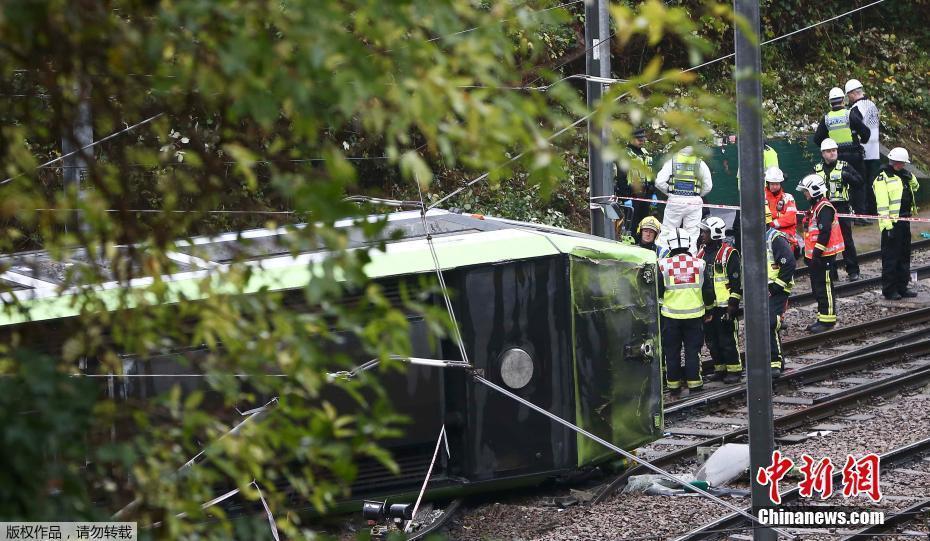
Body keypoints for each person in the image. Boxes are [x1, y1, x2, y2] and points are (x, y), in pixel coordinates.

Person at [658, 227, 715, 396]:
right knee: (692, 350)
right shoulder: (700, 263)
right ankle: (695, 384)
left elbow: (658, 291)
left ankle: (674, 386)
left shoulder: (662, 265)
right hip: (694, 316)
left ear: (670, 244)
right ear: (689, 243)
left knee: (671, 352)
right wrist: (709, 310)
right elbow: (708, 291)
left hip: (670, 316)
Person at [696, 217, 742, 383]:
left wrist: (732, 305)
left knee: (727, 339)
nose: (702, 235)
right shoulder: (701, 253)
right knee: (712, 340)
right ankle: (720, 369)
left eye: (705, 232)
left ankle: (734, 370)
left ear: (714, 233)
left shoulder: (729, 253)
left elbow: (736, 282)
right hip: (708, 307)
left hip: (724, 306)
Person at [798, 174, 845, 333]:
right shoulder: (816, 207)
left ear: (814, 190)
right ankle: (822, 317)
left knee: (825, 287)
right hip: (817, 256)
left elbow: (824, 233)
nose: (804, 194)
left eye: (806, 191)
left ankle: (828, 320)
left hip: (823, 256)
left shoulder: (824, 208)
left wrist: (816, 254)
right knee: (818, 288)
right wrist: (809, 254)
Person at [814, 87, 871, 215]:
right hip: (854, 155)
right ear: (843, 100)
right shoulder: (849, 114)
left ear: (830, 102)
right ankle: (860, 216)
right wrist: (861, 140)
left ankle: (842, 214)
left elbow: (817, 139)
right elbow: (866, 132)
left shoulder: (827, 118)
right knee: (858, 184)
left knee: (840, 185)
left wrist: (829, 144)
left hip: (836, 156)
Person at [874, 147, 921, 300]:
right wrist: (887, 226)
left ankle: (902, 287)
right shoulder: (883, 179)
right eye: (902, 163)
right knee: (891, 259)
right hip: (892, 224)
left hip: (905, 221)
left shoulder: (904, 176)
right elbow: (882, 205)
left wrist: (911, 176)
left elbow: (916, 187)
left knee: (904, 256)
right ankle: (889, 290)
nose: (904, 166)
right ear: (896, 162)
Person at [815, 138, 863, 281]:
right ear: (823, 153)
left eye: (834, 150)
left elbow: (860, 181)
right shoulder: (817, 169)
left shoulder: (845, 166)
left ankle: (853, 270)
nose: (832, 153)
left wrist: (848, 177)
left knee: (846, 240)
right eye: (829, 151)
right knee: (827, 240)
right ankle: (832, 272)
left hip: (841, 207)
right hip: (824, 209)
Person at [655, 146, 713, 242]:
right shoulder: (700, 163)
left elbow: (659, 182)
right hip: (694, 202)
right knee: (692, 234)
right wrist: (697, 194)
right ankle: (690, 256)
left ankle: (664, 255)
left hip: (675, 201)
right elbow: (708, 186)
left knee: (668, 232)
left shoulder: (672, 161)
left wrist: (670, 193)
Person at [766, 205, 796, 378]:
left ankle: (775, 362)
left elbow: (789, 263)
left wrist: (776, 286)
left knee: (770, 322)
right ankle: (766, 360)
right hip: (762, 289)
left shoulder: (774, 238)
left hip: (776, 288)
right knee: (761, 323)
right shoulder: (752, 237)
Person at [846, 78, 881, 216]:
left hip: (863, 152)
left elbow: (857, 130)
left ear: (853, 94)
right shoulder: (872, 105)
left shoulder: (856, 109)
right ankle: (874, 211)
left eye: (848, 95)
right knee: (873, 184)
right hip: (875, 151)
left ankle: (865, 213)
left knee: (862, 184)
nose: (848, 98)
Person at [615, 127, 657, 233]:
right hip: (632, 196)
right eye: (639, 140)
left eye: (643, 140)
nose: (642, 142)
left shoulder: (645, 153)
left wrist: (652, 193)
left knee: (644, 225)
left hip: (645, 195)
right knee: (631, 226)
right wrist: (625, 198)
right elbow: (621, 178)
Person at [764, 166, 799, 256]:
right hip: (766, 241)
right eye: (772, 184)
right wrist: (779, 215)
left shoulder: (788, 197)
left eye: (777, 184)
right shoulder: (761, 197)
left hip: (787, 241)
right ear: (767, 183)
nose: (775, 187)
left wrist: (771, 223)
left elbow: (791, 219)